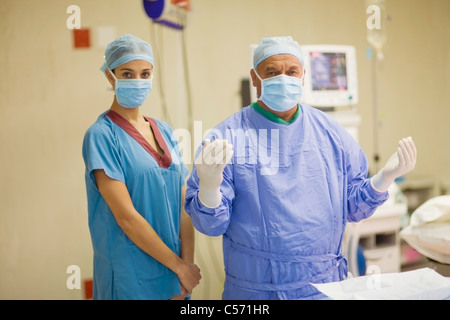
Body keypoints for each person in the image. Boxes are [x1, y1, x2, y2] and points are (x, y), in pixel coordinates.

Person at [184, 36, 417, 300]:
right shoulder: (227, 137)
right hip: (257, 292)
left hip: (323, 288)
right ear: (254, 77)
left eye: (291, 71)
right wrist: (209, 190)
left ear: (303, 77)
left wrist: (383, 179)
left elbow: (352, 206)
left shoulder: (330, 133)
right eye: (272, 72)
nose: (283, 79)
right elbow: (211, 226)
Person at [82, 34, 201, 300]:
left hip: (176, 276)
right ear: (110, 77)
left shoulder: (165, 130)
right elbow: (126, 218)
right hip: (130, 276)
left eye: (145, 74)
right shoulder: (102, 136)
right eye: (127, 73)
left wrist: (186, 272)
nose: (138, 81)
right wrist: (179, 267)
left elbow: (184, 205)